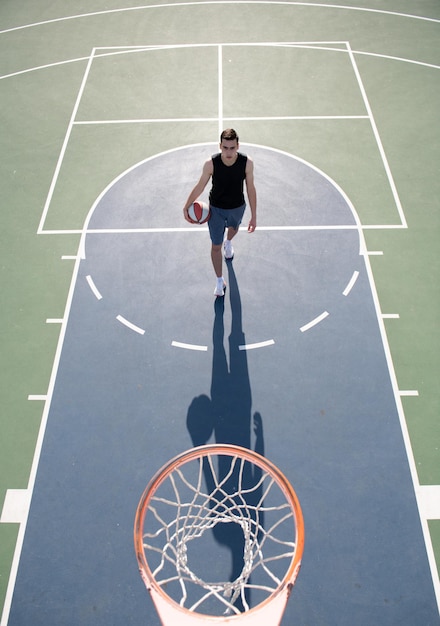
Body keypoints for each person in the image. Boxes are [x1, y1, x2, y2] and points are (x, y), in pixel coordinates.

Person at [183, 129, 257, 296]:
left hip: (237, 207)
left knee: (234, 229)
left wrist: (254, 216)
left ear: (238, 146)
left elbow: (250, 188)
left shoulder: (247, 163)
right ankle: (219, 281)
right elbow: (200, 185)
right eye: (225, 147)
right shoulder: (210, 164)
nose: (228, 152)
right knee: (215, 246)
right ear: (220, 146)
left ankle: (228, 242)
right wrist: (186, 206)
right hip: (215, 210)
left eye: (232, 148)